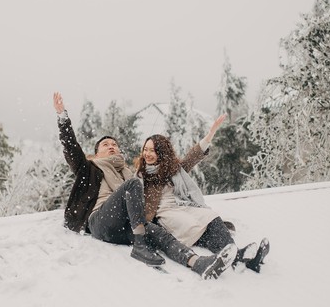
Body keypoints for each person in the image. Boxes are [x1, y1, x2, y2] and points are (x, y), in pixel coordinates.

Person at [53, 92, 236, 279]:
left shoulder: (128, 173)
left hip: (124, 225)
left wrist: (206, 140)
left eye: (114, 144)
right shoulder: (89, 167)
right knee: (133, 186)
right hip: (99, 221)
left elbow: (177, 167)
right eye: (105, 144)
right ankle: (140, 245)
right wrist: (62, 117)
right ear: (97, 153)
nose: (111, 146)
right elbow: (71, 148)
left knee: (161, 235)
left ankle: (198, 263)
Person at [135, 115, 270, 273]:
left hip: (182, 205)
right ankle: (234, 257)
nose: (147, 153)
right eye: (145, 149)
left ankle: (237, 255)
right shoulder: (140, 176)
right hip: (165, 213)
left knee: (209, 216)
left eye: (152, 150)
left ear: (162, 153)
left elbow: (192, 157)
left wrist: (210, 134)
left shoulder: (173, 169)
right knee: (191, 225)